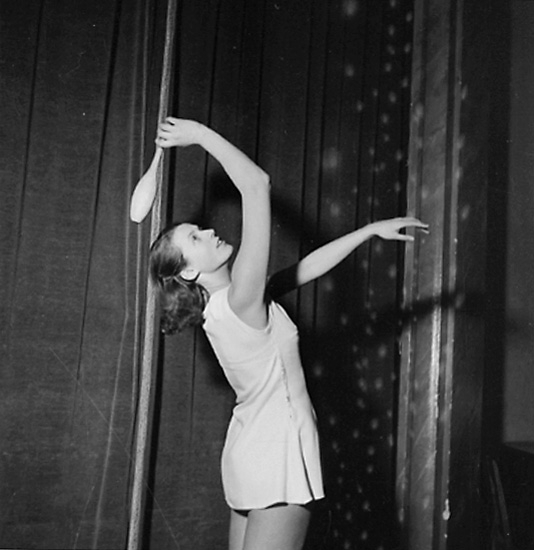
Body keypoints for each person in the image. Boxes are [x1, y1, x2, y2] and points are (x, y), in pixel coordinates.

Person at [145, 118, 427, 550]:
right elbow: (256, 184)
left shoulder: (227, 307)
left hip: (250, 448)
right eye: (196, 238)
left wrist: (368, 231)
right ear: (188, 272)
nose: (210, 231)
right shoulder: (241, 300)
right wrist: (199, 136)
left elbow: (303, 269)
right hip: (278, 452)